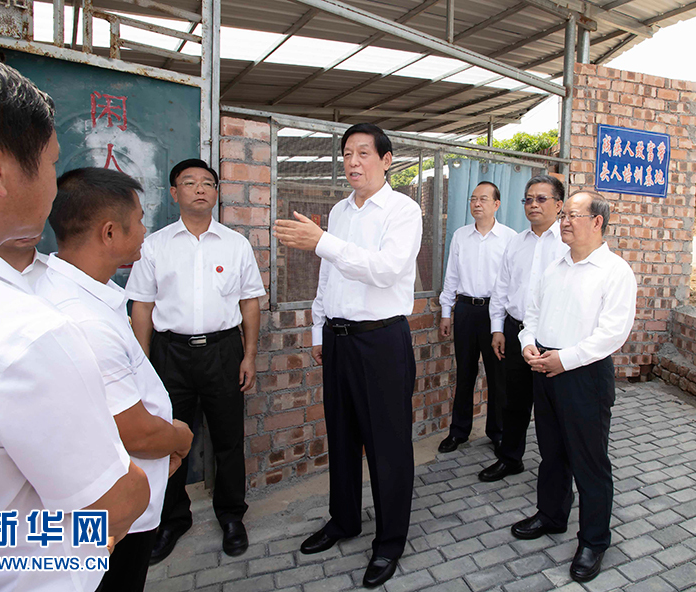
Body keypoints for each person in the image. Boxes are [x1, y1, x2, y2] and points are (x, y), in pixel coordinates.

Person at [0, 51, 149, 591]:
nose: (53, 186)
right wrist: (143, 482)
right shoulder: (22, 331)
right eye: (50, 163)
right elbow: (113, 501)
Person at [273, 123, 421, 589]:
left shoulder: (403, 210)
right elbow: (329, 275)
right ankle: (344, 520)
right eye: (347, 154)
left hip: (381, 341)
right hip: (337, 339)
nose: (353, 162)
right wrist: (318, 328)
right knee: (341, 435)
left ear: (386, 160)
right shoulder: (339, 211)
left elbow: (386, 270)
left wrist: (322, 241)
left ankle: (390, 541)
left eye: (363, 153)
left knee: (387, 445)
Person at [36, 167, 195, 591]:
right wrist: (179, 437)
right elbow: (136, 432)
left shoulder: (74, 291)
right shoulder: (85, 320)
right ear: (109, 232)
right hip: (116, 509)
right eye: (139, 220)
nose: (145, 230)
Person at [126, 158, 265, 562]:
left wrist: (249, 355)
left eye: (208, 183)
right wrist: (144, 363)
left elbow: (250, 303)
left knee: (228, 439)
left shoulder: (236, 245)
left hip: (224, 352)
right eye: (189, 183)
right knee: (167, 439)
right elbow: (142, 306)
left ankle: (232, 516)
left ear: (216, 192)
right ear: (174, 193)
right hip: (171, 354)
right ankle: (172, 519)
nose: (200, 188)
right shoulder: (155, 245)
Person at [515, 191, 636, 583]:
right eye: (563, 215)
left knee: (589, 461)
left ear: (597, 222)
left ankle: (594, 541)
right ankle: (551, 515)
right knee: (552, 453)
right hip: (544, 369)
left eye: (572, 215)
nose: (564, 221)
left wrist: (564, 359)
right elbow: (532, 314)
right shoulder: (555, 267)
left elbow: (612, 334)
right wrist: (528, 343)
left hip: (584, 375)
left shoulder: (614, 271)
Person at [478, 174, 567, 481]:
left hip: (552, 338)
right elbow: (501, 287)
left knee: (551, 409)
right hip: (516, 332)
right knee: (513, 402)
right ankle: (510, 458)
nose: (533, 205)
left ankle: (556, 475)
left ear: (559, 205)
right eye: (528, 199)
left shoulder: (567, 244)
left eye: (541, 199)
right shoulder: (516, 242)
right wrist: (497, 329)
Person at [437, 181, 516, 454]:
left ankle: (498, 433)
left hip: (496, 312)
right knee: (465, 373)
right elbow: (451, 276)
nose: (477, 203)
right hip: (466, 310)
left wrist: (502, 321)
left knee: (497, 376)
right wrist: (446, 312)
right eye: (473, 199)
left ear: (496, 204)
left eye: (483, 199)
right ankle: (459, 431)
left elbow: (511, 282)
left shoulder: (510, 238)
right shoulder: (460, 236)